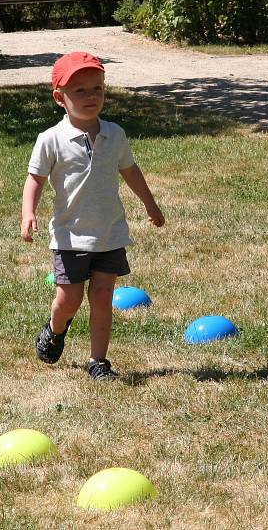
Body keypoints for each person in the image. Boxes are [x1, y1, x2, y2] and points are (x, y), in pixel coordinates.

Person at [20, 51, 165, 381]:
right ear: (60, 98)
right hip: (70, 235)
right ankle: (56, 329)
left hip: (109, 232)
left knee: (102, 297)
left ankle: (98, 361)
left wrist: (149, 204)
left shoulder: (115, 134)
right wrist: (28, 211)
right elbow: (35, 179)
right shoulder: (51, 139)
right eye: (80, 90)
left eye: (97, 88)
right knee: (68, 300)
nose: (91, 97)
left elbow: (130, 171)